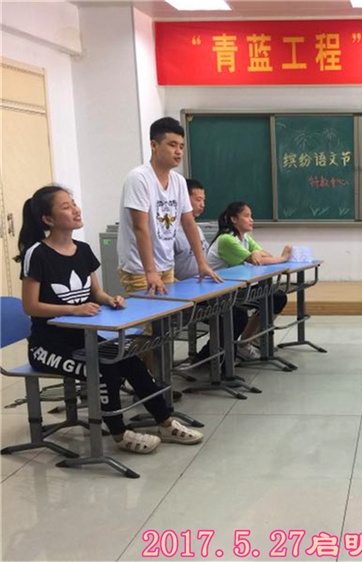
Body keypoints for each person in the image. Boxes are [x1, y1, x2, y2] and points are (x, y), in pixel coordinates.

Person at [16, 185, 203, 454]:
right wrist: (74, 310)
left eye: (74, 203)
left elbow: (95, 292)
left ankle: (164, 421)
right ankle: (119, 434)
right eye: (66, 207)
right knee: (105, 370)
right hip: (47, 347)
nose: (76, 209)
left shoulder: (82, 250)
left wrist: (110, 299)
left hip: (83, 337)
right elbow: (30, 306)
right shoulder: (37, 253)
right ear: (48, 219)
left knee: (128, 359)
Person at [117, 117, 220, 296]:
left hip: (167, 265)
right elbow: (140, 227)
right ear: (154, 145)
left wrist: (202, 263)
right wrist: (150, 272)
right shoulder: (139, 178)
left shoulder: (178, 181)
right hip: (140, 268)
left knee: (170, 313)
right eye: (172, 145)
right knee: (150, 313)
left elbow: (188, 222)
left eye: (181, 146)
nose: (178, 152)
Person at [174, 180, 252, 363]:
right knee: (233, 315)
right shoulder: (171, 233)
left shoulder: (196, 229)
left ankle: (212, 357)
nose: (202, 204)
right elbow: (166, 272)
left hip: (204, 289)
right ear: (182, 199)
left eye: (204, 200)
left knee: (237, 313)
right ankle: (216, 360)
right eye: (198, 200)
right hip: (186, 295)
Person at [206, 201, 291, 354]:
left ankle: (245, 342)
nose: (251, 220)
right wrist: (283, 258)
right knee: (245, 311)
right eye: (246, 216)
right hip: (218, 291)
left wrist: (256, 253)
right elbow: (258, 260)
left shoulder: (244, 237)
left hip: (236, 287)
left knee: (277, 297)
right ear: (234, 219)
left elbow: (265, 255)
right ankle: (228, 351)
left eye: (251, 216)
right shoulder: (227, 239)